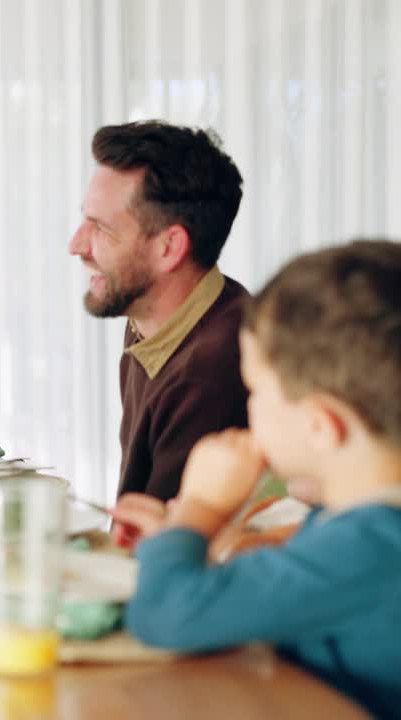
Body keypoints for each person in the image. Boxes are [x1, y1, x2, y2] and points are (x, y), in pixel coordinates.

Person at [122, 240, 401, 718]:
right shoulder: (355, 525)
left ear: (320, 425)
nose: (249, 408)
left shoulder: (367, 548)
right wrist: (185, 540)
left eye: (255, 390)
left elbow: (162, 615)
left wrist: (199, 510)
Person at [69, 120, 249, 503]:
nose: (77, 245)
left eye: (101, 228)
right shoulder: (153, 322)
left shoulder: (210, 375)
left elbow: (161, 547)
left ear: (169, 248)